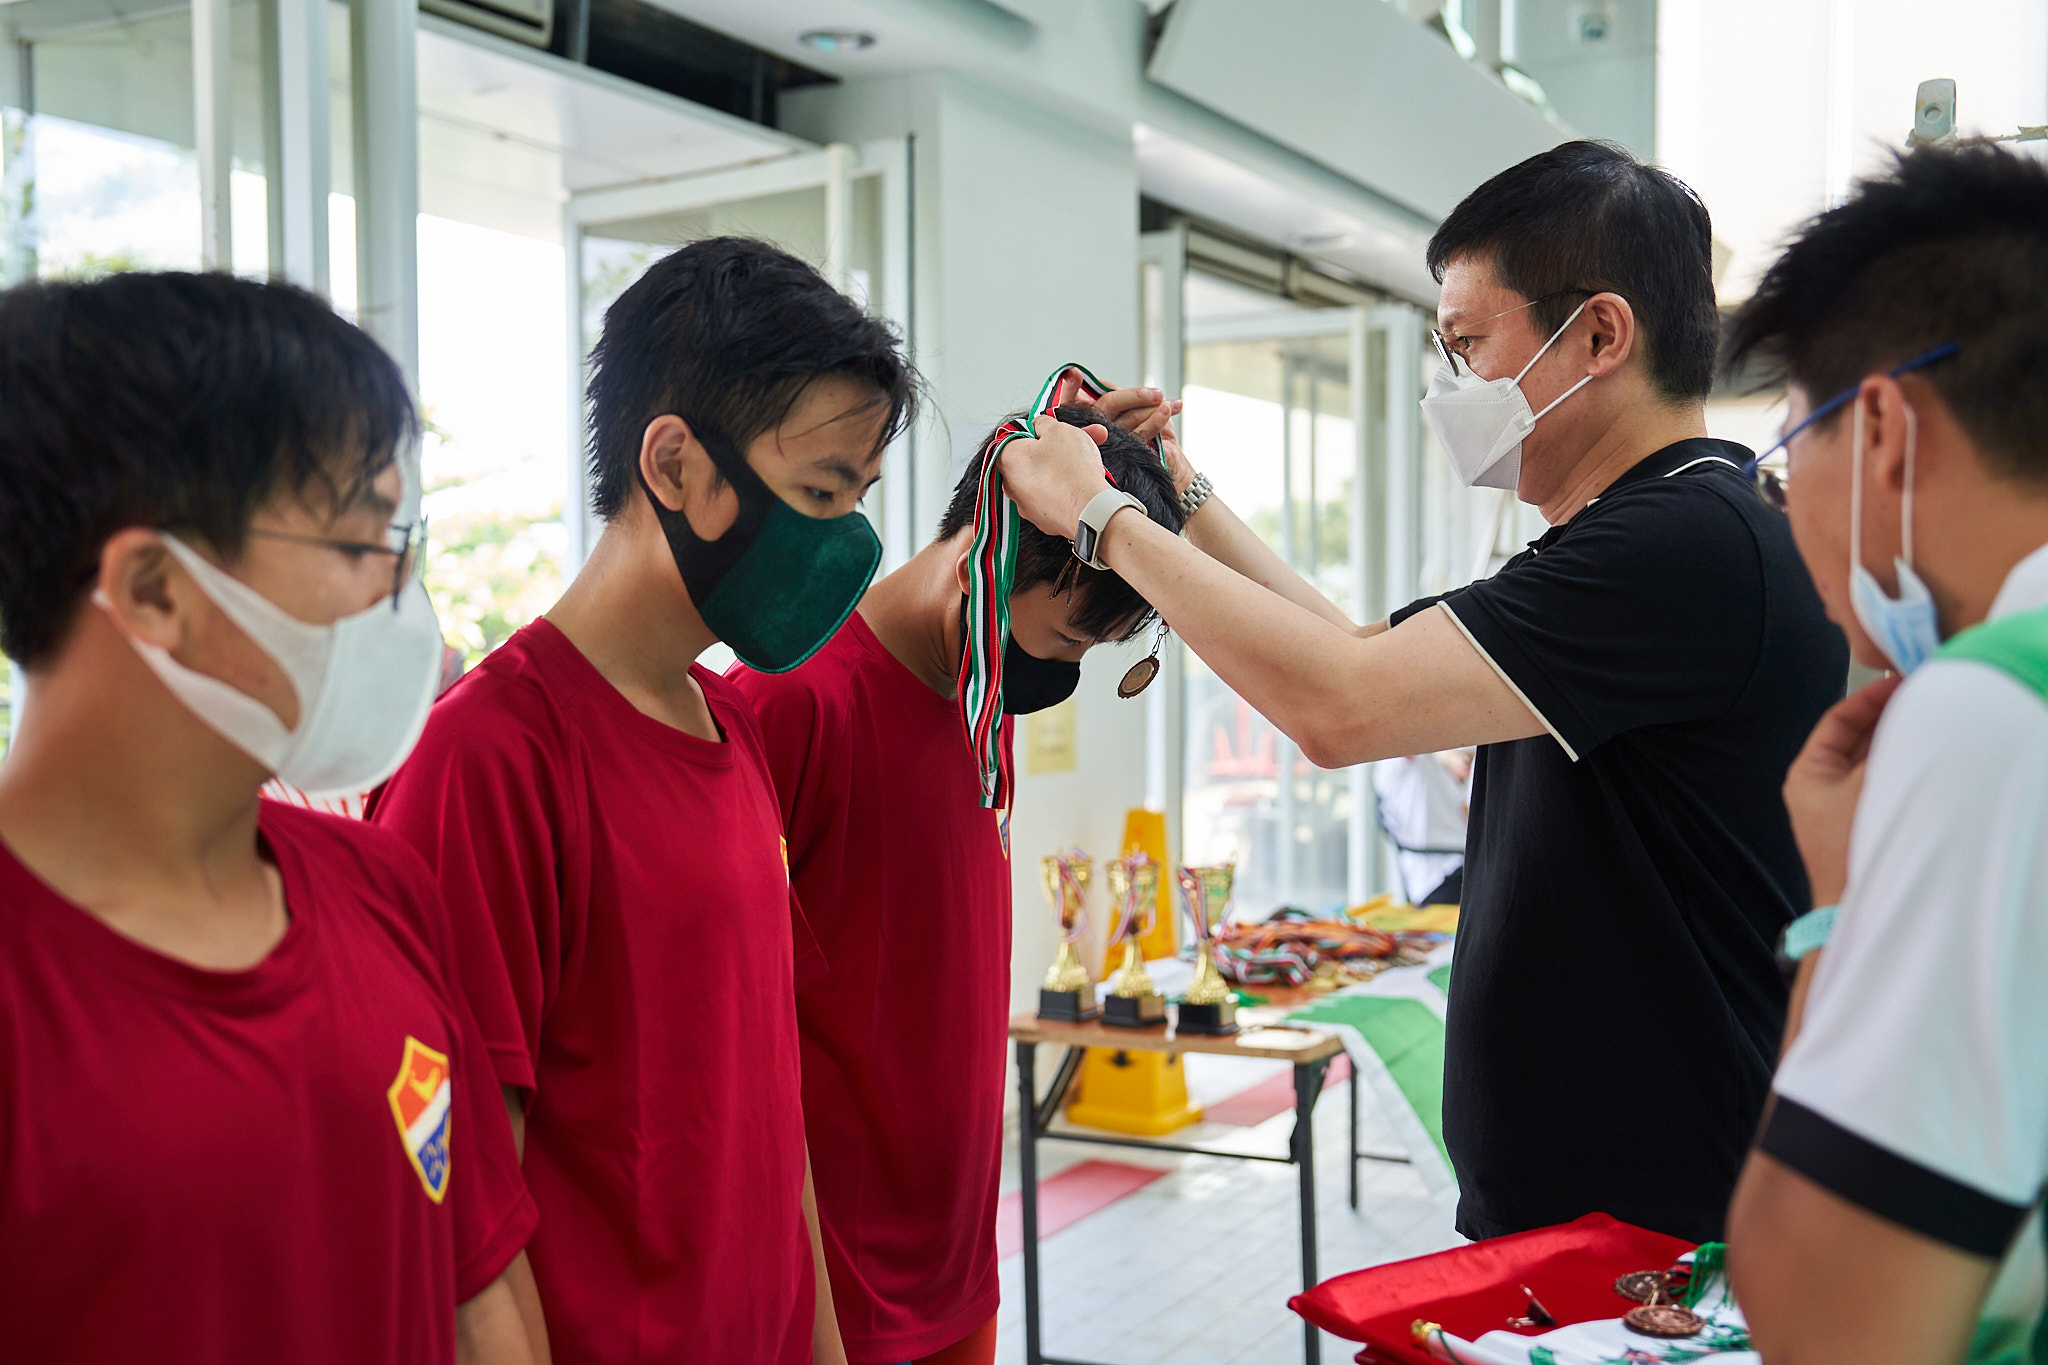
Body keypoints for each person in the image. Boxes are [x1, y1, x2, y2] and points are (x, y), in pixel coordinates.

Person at [1000, 140, 1847, 1243]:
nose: (1453, 385)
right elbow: (1353, 649)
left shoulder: (1682, 545)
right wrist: (1176, 489)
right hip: (1598, 1202)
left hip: (1652, 1221)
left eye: (1468, 344)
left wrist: (1100, 520)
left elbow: (1341, 706)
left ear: (1600, 335)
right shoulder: (1644, 529)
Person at [370, 236, 915, 1365]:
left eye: (857, 498)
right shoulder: (490, 759)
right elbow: (456, 1207)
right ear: (672, 464)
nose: (843, 541)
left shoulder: (732, 728)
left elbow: (774, 1117)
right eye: (820, 492)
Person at [0, 272, 543, 1363]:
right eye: (357, 546)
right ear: (156, 590)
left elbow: (476, 1295)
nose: (402, 601)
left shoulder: (380, 892)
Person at [727, 403, 1182, 1365]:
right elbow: (734, 1019)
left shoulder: (984, 697)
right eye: (1065, 642)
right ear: (987, 555)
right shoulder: (793, 697)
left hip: (960, 1243)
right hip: (834, 1275)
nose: (1062, 673)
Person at [1721, 145, 2048, 1364]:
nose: (1782, 503)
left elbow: (1827, 1321)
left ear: (1877, 429)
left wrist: (1837, 913)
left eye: (1784, 450)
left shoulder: (1989, 707)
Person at [1372, 749, 1473, 907]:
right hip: (1439, 880)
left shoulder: (1441, 772)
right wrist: (1446, 753)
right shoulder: (1397, 763)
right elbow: (1406, 741)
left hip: (1463, 867)